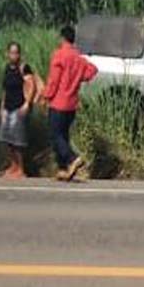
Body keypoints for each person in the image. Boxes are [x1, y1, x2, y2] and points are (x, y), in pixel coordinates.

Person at [42, 25, 98, 181]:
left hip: (58, 102)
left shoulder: (59, 55)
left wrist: (46, 96)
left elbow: (54, 80)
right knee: (63, 135)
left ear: (62, 38)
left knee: (55, 135)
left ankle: (72, 158)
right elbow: (92, 70)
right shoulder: (78, 58)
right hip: (72, 105)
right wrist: (80, 77)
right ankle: (63, 169)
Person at [0, 41, 43, 179]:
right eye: (11, 52)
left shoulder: (24, 68)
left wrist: (27, 104)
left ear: (19, 54)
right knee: (7, 139)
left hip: (19, 107)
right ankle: (13, 166)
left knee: (18, 141)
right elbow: (5, 89)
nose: (14, 55)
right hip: (8, 107)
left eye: (16, 52)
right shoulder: (7, 68)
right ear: (7, 54)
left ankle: (21, 169)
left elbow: (32, 85)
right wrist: (2, 107)